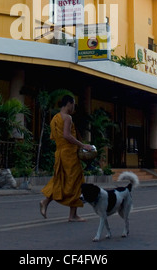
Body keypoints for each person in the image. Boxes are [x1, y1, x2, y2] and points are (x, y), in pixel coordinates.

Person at [39, 94, 93, 222]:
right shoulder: (67, 117)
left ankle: (45, 202)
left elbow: (54, 137)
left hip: (60, 153)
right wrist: (83, 145)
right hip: (69, 154)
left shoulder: (55, 118)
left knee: (59, 180)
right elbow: (67, 136)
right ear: (68, 103)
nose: (73, 107)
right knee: (77, 182)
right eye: (73, 104)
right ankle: (73, 215)